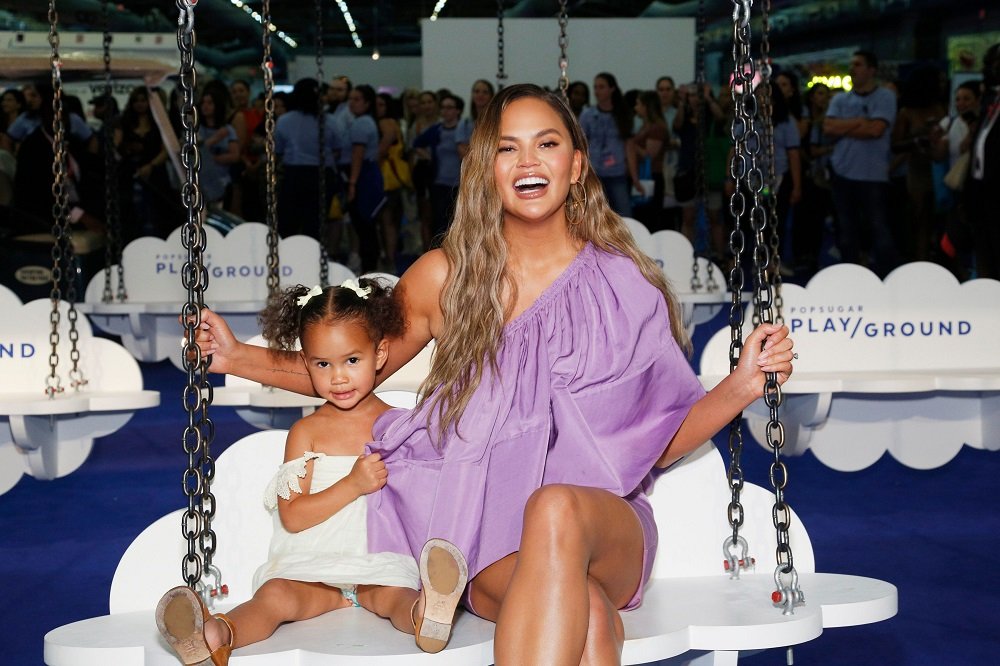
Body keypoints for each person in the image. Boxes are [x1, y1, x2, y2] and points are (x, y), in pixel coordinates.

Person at [191, 84, 794, 663]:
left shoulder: (621, 286)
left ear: (577, 164)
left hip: (605, 525)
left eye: (547, 144)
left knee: (555, 508)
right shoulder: (443, 278)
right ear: (485, 166)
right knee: (586, 620)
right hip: (486, 540)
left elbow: (659, 442)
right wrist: (235, 357)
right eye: (508, 147)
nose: (528, 161)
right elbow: (345, 367)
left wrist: (743, 383)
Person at [155, 278, 467, 664]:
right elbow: (294, 515)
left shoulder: (400, 426)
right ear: (305, 363)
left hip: (378, 564)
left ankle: (427, 617)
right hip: (312, 570)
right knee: (275, 598)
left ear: (380, 352)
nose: (338, 377)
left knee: (396, 597)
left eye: (352, 360)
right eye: (323, 364)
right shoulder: (307, 434)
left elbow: (420, 501)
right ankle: (214, 634)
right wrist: (353, 484)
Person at [823, 50, 899, 277]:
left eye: (857, 64)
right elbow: (827, 128)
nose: (852, 69)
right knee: (846, 231)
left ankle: (888, 277)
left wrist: (843, 127)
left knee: (879, 229)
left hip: (873, 174)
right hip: (842, 172)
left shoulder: (885, 96)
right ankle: (851, 277)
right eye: (852, 64)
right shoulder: (839, 99)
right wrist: (859, 122)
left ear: (871, 70)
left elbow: (877, 130)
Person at [580, 72, 634, 216]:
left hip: (617, 172)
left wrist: (635, 177)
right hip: (594, 173)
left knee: (624, 213)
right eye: (595, 87)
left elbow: (629, 146)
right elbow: (581, 143)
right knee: (595, 214)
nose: (597, 91)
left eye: (601, 87)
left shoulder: (622, 114)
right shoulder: (587, 115)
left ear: (612, 89)